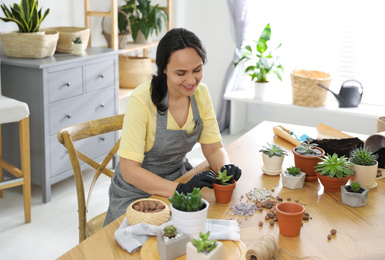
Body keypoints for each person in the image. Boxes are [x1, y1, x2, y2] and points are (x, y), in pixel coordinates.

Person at [104, 28, 242, 226]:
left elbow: (213, 148)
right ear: (164, 69)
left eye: (197, 70)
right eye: (180, 73)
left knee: (206, 225)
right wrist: (180, 189)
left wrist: (225, 167)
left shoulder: (201, 95)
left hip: (179, 177)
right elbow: (129, 170)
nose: (191, 81)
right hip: (136, 192)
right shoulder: (141, 100)